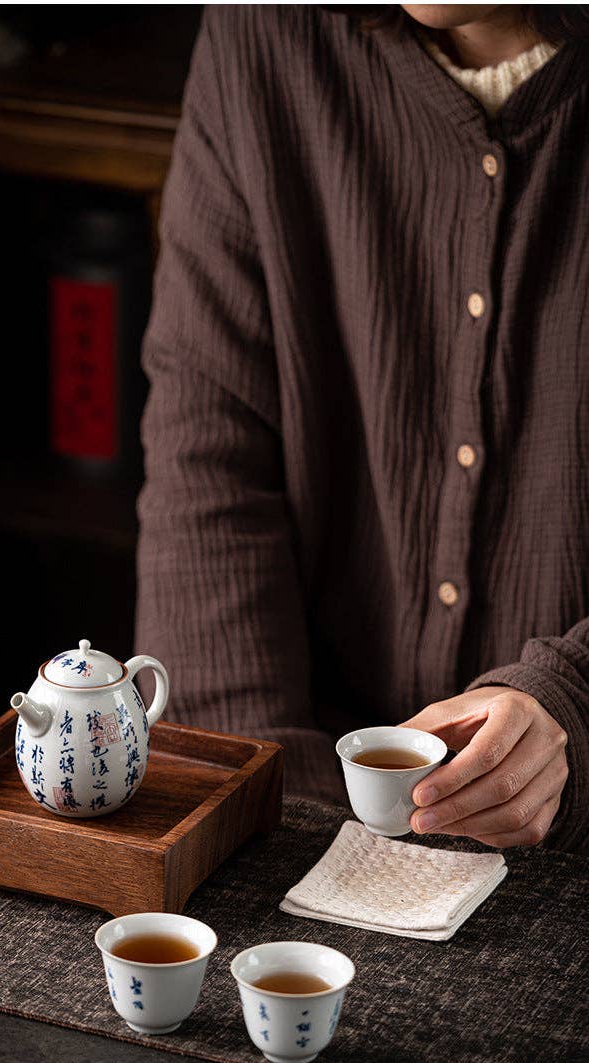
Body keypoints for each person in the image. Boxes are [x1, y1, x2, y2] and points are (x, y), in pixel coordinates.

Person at [135, 4, 589, 853]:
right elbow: (210, 447)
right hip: (301, 807)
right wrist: (273, 815)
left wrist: (575, 701)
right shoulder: (265, 30)